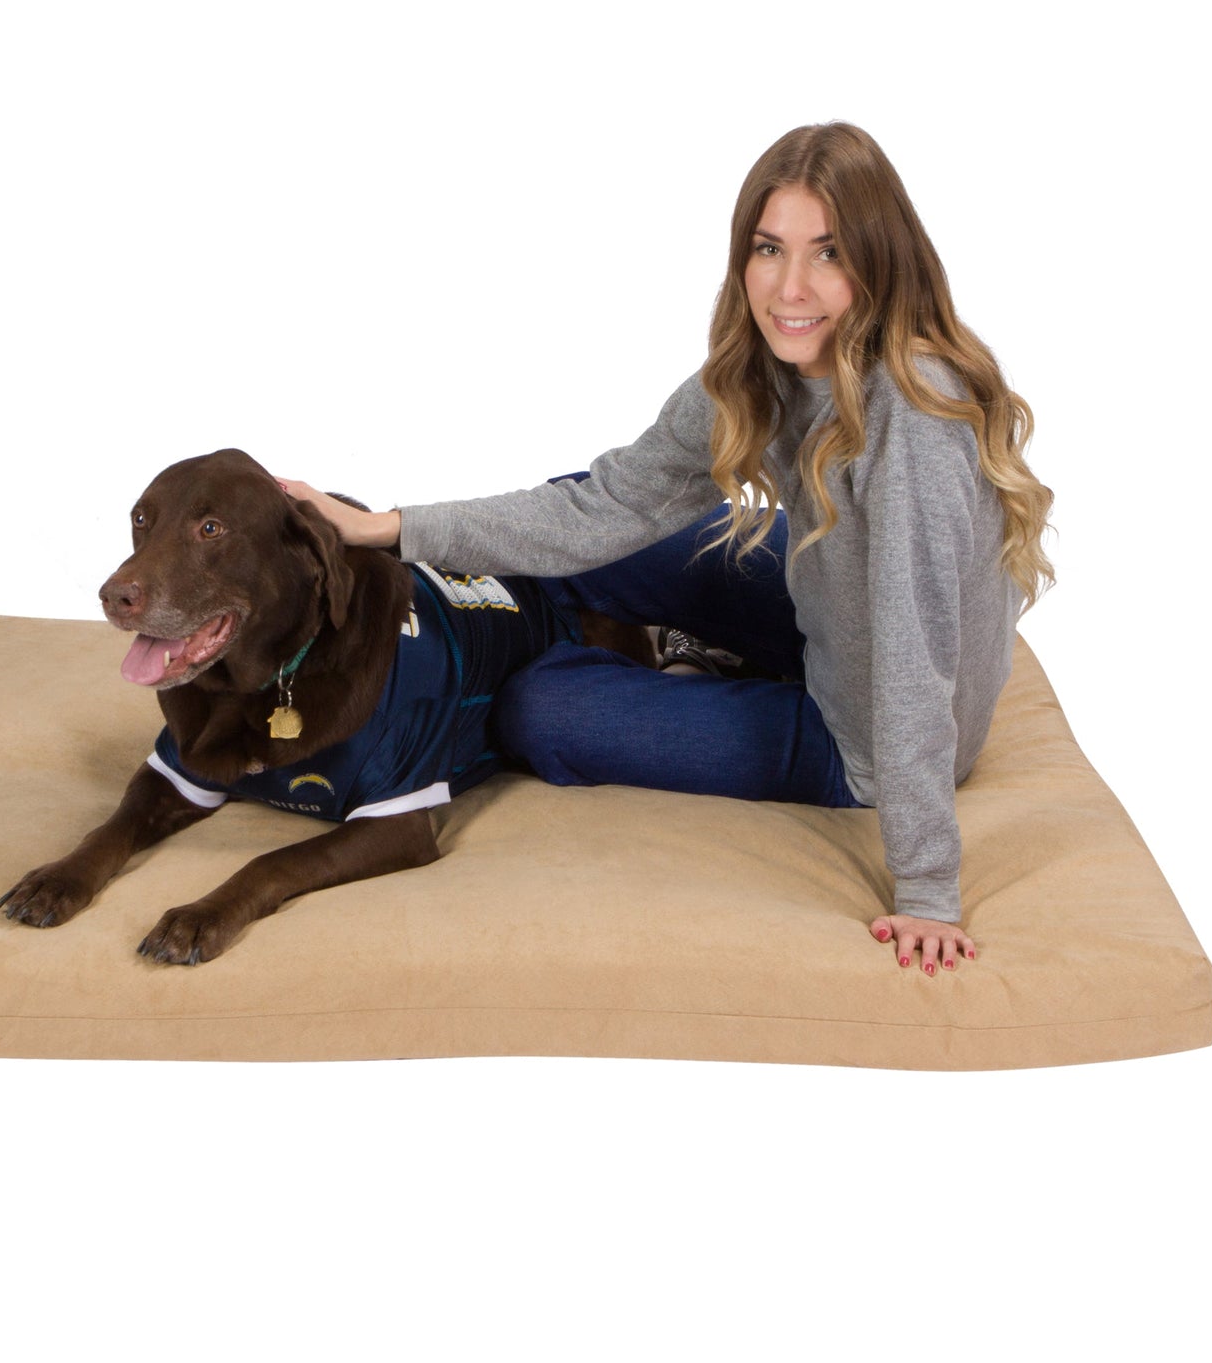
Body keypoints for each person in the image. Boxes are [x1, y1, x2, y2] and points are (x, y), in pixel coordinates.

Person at [280, 122, 1054, 978]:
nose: (790, 288)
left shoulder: (913, 416)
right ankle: (522, 631)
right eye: (769, 249)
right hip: (827, 603)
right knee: (593, 522)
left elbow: (912, 655)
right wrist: (391, 528)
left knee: (536, 710)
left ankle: (663, 665)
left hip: (868, 729)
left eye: (828, 254)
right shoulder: (761, 372)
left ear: (880, 263)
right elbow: (607, 505)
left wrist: (928, 891)